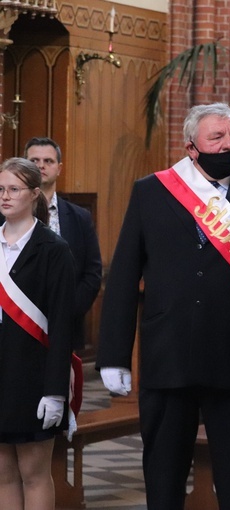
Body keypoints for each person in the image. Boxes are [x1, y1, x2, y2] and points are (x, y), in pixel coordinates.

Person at [96, 103, 230, 510]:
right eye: (217, 137)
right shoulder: (150, 192)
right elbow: (122, 278)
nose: (229, 144)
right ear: (191, 147)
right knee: (164, 481)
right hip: (169, 356)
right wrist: (113, 356)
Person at [0, 157, 75, 510]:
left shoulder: (53, 250)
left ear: (33, 194)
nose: (5, 196)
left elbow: (62, 326)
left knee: (33, 472)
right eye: (0, 189)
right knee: (2, 472)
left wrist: (56, 392)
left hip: (33, 377)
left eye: (13, 189)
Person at [24, 137, 102, 351]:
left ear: (59, 168)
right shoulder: (6, 216)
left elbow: (92, 271)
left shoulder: (80, 217)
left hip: (66, 325)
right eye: (34, 160)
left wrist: (69, 309)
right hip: (17, 321)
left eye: (48, 161)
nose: (41, 166)